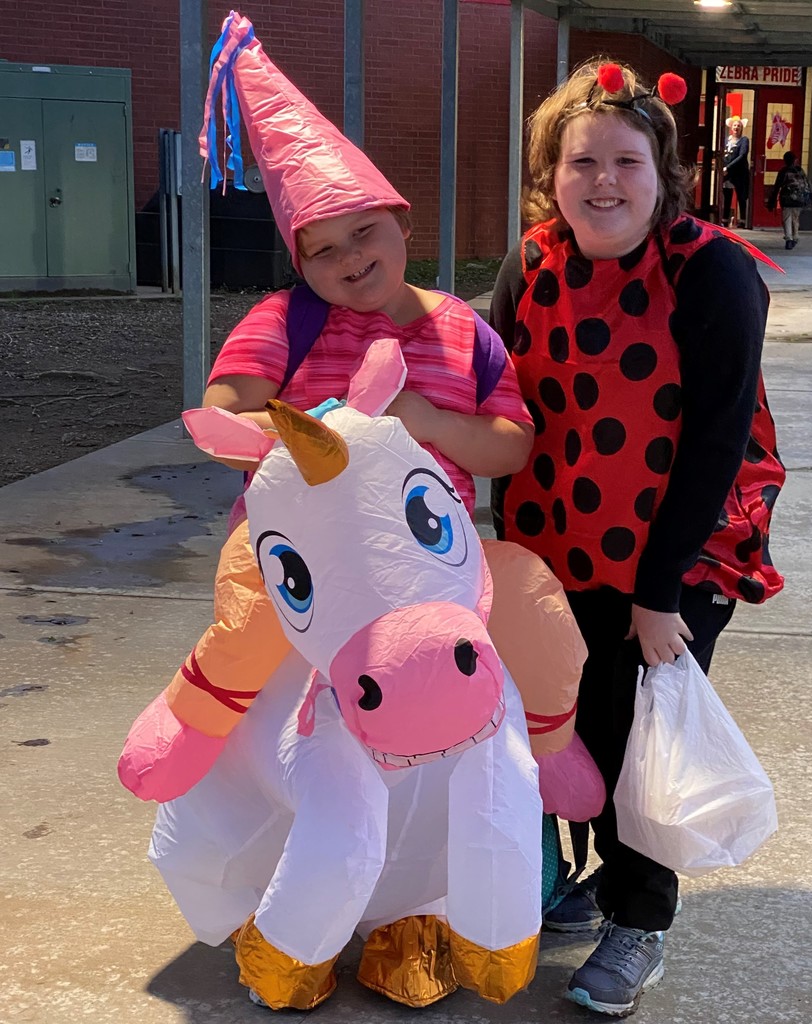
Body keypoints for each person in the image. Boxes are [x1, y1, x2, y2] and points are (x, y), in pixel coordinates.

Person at [118, 10, 533, 806]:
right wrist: (323, 438)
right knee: (268, 686)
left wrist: (429, 424)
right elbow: (227, 409)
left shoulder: (459, 328)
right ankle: (191, 723)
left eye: (365, 232)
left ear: (402, 223)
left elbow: (511, 446)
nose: (351, 259)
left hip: (422, 571)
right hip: (303, 573)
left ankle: (533, 775)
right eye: (324, 249)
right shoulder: (284, 322)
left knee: (497, 668)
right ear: (299, 260)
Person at [489, 59, 786, 1017]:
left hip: (678, 546)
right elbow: (501, 404)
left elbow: (717, 437)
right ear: (552, 173)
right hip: (555, 539)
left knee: (633, 740)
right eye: (583, 162)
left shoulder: (713, 271)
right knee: (554, 723)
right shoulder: (531, 261)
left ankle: (640, 920)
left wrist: (660, 593)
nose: (603, 181)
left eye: (626, 161)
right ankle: (586, 881)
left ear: (663, 178)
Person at [766, 150, 812, 249]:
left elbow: (776, 187)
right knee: (795, 218)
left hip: (786, 199)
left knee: (787, 219)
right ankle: (795, 236)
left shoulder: (783, 172)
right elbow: (808, 185)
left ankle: (789, 238)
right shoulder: (800, 171)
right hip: (799, 200)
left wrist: (771, 201)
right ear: (795, 160)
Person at [721, 114, 750, 227]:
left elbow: (742, 156)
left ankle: (742, 220)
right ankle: (724, 220)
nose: (736, 128)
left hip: (739, 173)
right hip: (727, 173)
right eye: (734, 125)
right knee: (727, 197)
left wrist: (728, 167)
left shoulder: (744, 140)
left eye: (738, 126)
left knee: (741, 197)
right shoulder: (726, 140)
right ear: (731, 127)